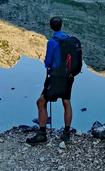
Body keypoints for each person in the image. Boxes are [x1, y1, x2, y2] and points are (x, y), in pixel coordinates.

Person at [26, 16, 73, 144]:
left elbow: (47, 62)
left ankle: (42, 133)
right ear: (61, 25)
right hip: (68, 76)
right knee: (66, 102)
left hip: (56, 77)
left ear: (50, 27)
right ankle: (66, 133)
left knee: (41, 102)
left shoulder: (52, 42)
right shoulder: (68, 38)